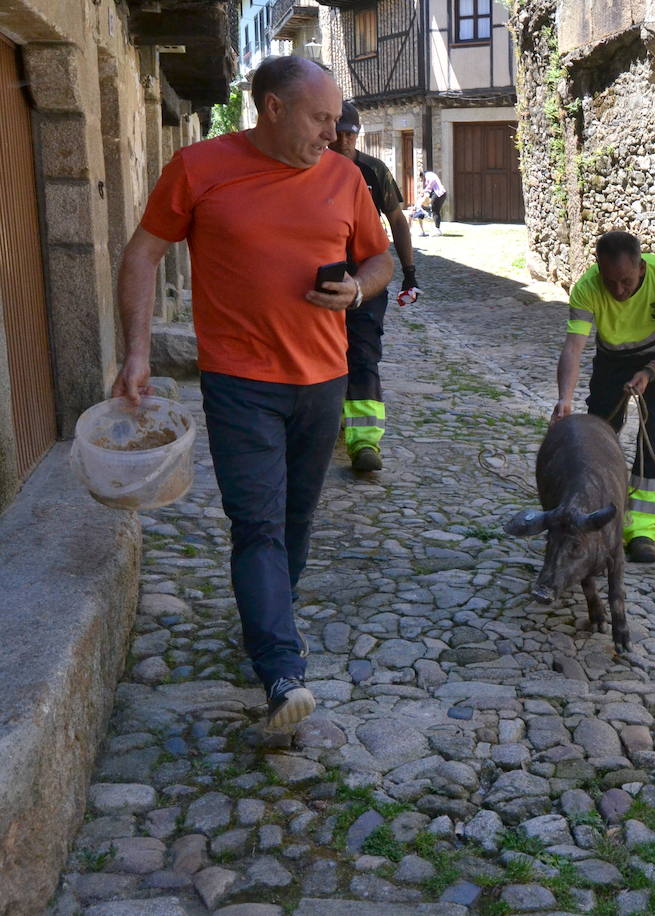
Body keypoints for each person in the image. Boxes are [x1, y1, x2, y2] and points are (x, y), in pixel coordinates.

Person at [112, 56, 393, 729]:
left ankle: (269, 625)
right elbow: (141, 253)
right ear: (273, 108)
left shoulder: (345, 177)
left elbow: (382, 257)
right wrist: (137, 352)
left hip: (323, 381)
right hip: (241, 383)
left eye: (335, 120)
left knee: (295, 521)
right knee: (258, 523)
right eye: (321, 118)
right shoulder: (200, 168)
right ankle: (280, 666)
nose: (333, 132)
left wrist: (359, 288)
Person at [552, 231, 655, 564]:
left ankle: (641, 531)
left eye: (626, 281)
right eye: (609, 281)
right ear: (597, 269)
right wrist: (565, 399)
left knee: (654, 440)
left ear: (641, 268)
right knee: (597, 439)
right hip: (611, 360)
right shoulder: (586, 288)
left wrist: (652, 370)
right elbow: (574, 348)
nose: (618, 290)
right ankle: (595, 516)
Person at [328, 101, 422, 473]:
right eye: (340, 132)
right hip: (319, 281)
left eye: (351, 133)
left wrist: (410, 270)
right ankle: (327, 420)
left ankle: (365, 442)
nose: (345, 139)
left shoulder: (373, 170)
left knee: (363, 355)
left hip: (367, 278)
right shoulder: (311, 168)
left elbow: (397, 219)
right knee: (327, 355)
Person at [423, 169, 447, 234]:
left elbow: (431, 182)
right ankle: (437, 228)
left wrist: (426, 190)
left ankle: (437, 229)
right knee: (436, 211)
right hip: (442, 194)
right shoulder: (432, 174)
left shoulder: (428, 175)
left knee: (435, 211)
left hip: (438, 194)